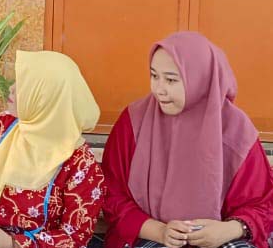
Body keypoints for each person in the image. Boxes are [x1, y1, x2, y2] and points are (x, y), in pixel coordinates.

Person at [102, 32, 273, 248]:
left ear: (201, 78)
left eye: (171, 80)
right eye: (154, 76)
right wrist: (160, 231)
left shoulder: (236, 129)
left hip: (221, 239)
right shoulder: (134, 120)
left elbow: (263, 202)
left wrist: (228, 230)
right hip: (150, 237)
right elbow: (111, 192)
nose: (159, 90)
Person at [0, 51, 106, 248]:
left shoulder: (81, 166)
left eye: (24, 85)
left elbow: (75, 238)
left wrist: (13, 244)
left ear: (46, 97)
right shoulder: (3, 127)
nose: (10, 89)